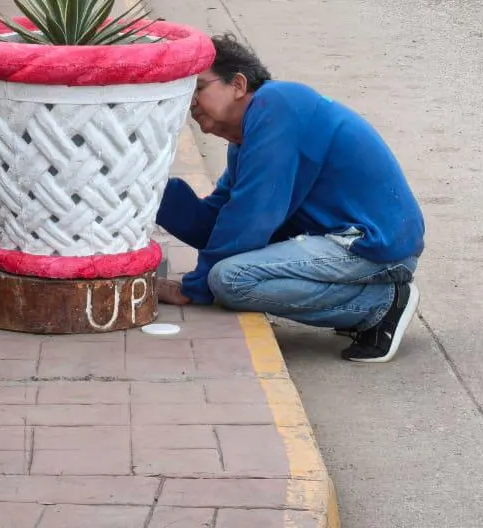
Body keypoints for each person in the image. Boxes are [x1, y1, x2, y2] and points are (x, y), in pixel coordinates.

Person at [155, 34, 425, 363]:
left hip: (371, 244)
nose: (190, 104)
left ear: (238, 84)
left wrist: (193, 289)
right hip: (343, 241)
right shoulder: (249, 137)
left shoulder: (276, 106)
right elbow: (220, 222)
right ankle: (365, 300)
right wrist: (153, 192)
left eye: (198, 89)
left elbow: (252, 217)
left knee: (230, 279)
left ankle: (380, 306)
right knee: (225, 272)